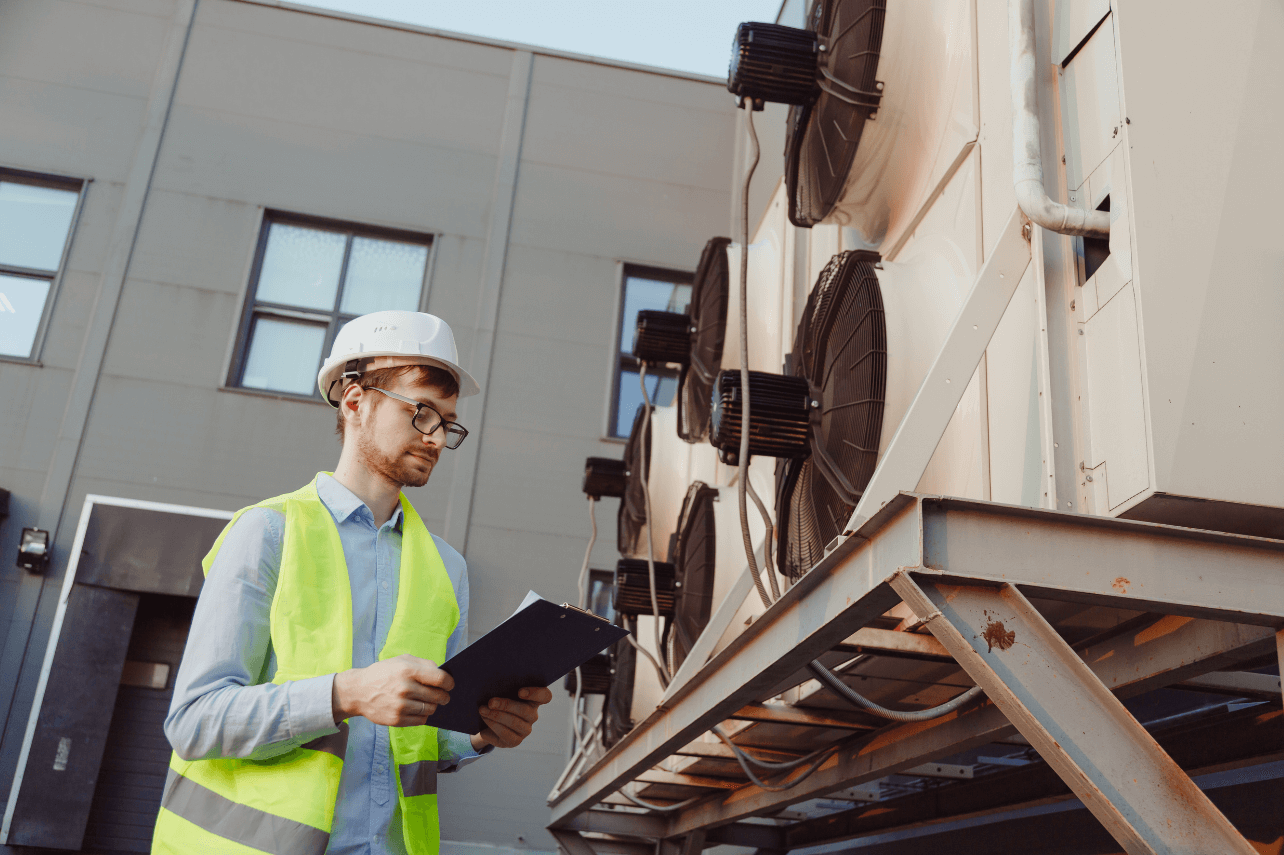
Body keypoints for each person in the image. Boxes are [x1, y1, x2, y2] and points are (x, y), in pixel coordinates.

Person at [154, 311, 552, 855]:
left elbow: (413, 741)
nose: (436, 438)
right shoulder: (268, 532)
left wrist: (481, 733)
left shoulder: (446, 568)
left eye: (447, 422)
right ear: (355, 401)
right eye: (421, 413)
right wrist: (346, 694)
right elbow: (195, 722)